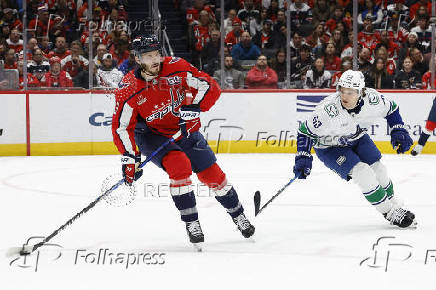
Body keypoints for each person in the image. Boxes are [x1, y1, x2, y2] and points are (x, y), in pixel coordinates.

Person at [111, 34, 255, 248]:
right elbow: (122, 127)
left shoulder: (177, 66)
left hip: (184, 128)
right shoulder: (129, 88)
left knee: (213, 175)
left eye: (157, 54)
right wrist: (130, 158)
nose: (155, 60)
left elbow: (209, 85)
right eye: (148, 56)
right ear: (138, 59)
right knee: (179, 165)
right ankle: (191, 222)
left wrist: (195, 107)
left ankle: (238, 215)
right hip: (153, 134)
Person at [293, 70, 416, 228]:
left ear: (361, 92)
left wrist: (398, 129)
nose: (345, 96)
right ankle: (389, 212)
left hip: (357, 138)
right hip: (330, 146)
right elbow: (304, 132)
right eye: (342, 90)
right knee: (362, 172)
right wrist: (303, 157)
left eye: (351, 92)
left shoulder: (372, 99)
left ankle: (394, 204)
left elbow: (391, 108)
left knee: (379, 169)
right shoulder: (328, 110)